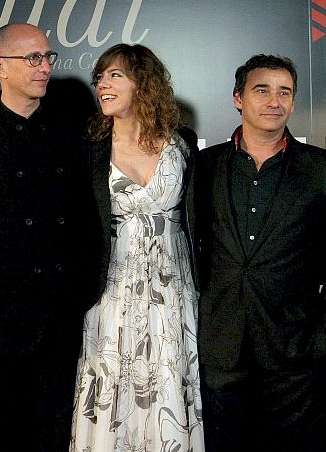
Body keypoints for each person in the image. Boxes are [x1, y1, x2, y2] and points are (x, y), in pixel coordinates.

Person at [0, 22, 100, 451]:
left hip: (57, 313)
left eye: (47, 58)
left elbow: (89, 224)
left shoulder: (72, 135)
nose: (44, 67)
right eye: (33, 58)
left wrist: (82, 294)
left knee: (53, 429)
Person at [194, 54, 326, 452]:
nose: (274, 101)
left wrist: (324, 337)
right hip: (220, 348)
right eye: (262, 90)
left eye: (284, 92)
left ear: (294, 103)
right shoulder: (203, 165)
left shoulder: (324, 168)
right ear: (238, 98)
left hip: (295, 352)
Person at [70, 44, 205, 451]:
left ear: (142, 83)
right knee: (111, 380)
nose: (103, 85)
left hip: (173, 291)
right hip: (112, 290)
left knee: (168, 378)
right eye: (100, 77)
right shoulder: (89, 148)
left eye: (115, 76)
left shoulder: (183, 144)